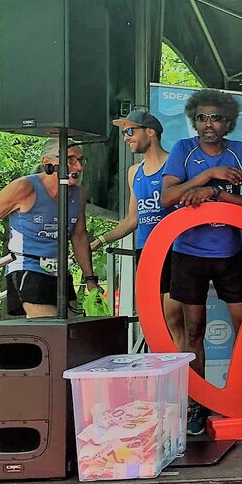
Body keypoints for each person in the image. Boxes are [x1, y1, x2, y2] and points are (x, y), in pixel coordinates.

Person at [161, 88, 242, 436]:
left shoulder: (241, 152)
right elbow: (168, 198)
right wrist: (207, 175)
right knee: (194, 331)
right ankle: (197, 404)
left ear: (227, 122)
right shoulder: (183, 150)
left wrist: (216, 193)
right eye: (201, 118)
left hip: (229, 254)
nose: (208, 124)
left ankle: (240, 396)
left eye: (215, 118)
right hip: (188, 253)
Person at [91, 111, 182, 347]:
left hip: (174, 250)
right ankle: (159, 368)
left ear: (150, 132)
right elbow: (133, 219)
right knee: (150, 320)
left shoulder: (175, 165)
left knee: (174, 320)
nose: (125, 138)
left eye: (130, 131)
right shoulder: (134, 172)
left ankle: (183, 370)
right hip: (146, 253)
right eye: (124, 133)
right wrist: (100, 240)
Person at [0, 139, 100, 318]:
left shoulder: (79, 194)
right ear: (47, 162)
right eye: (70, 160)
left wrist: (90, 278)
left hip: (60, 270)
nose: (78, 167)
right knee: (52, 328)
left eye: (81, 160)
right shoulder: (25, 187)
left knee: (73, 328)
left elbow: (79, 236)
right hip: (28, 267)